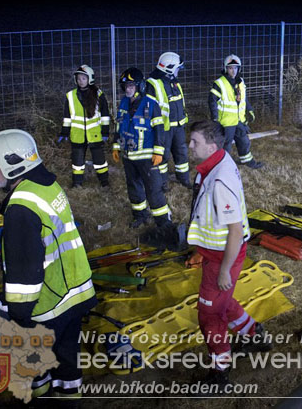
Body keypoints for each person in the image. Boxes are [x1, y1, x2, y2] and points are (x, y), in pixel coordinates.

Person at [0, 129, 96, 399]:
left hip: (46, 307)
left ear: (12, 164)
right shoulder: (46, 185)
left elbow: (24, 275)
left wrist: (17, 314)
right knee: (67, 359)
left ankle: (39, 399)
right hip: (76, 294)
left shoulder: (20, 208)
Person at [184, 120, 267, 386]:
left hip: (223, 257)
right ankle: (255, 335)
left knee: (209, 314)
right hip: (215, 254)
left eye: (194, 141)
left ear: (211, 146)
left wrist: (223, 271)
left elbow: (234, 230)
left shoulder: (219, 180)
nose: (189, 146)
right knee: (223, 301)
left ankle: (220, 372)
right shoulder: (216, 164)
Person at [112, 68, 173, 228]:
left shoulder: (151, 105)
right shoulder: (124, 104)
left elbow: (160, 130)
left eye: (131, 86)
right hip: (128, 157)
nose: (128, 89)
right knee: (133, 187)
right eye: (125, 86)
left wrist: (159, 151)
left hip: (147, 158)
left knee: (154, 190)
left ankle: (163, 222)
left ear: (140, 86)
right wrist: (116, 146)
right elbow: (119, 126)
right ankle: (140, 215)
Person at [58, 65, 110, 188]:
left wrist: (105, 132)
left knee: (100, 161)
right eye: (78, 78)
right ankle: (77, 183)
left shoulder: (99, 94)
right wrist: (65, 132)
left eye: (83, 78)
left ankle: (104, 182)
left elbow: (105, 116)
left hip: (95, 134)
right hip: (77, 135)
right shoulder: (70, 96)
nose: (80, 81)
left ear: (90, 79)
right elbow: (67, 117)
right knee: (77, 162)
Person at [208, 55, 263, 169]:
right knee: (225, 145)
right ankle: (223, 166)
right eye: (230, 68)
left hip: (239, 120)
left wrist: (250, 109)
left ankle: (247, 160)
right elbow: (212, 101)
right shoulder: (219, 83)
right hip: (226, 121)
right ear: (226, 69)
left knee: (243, 140)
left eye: (236, 68)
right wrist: (215, 118)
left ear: (239, 68)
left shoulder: (240, 82)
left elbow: (243, 98)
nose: (233, 71)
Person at [146, 52, 192, 188]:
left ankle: (184, 179)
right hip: (163, 128)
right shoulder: (153, 84)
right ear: (169, 68)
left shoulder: (173, 81)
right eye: (177, 68)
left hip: (178, 127)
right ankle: (162, 183)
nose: (178, 71)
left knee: (181, 154)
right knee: (163, 156)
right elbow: (150, 109)